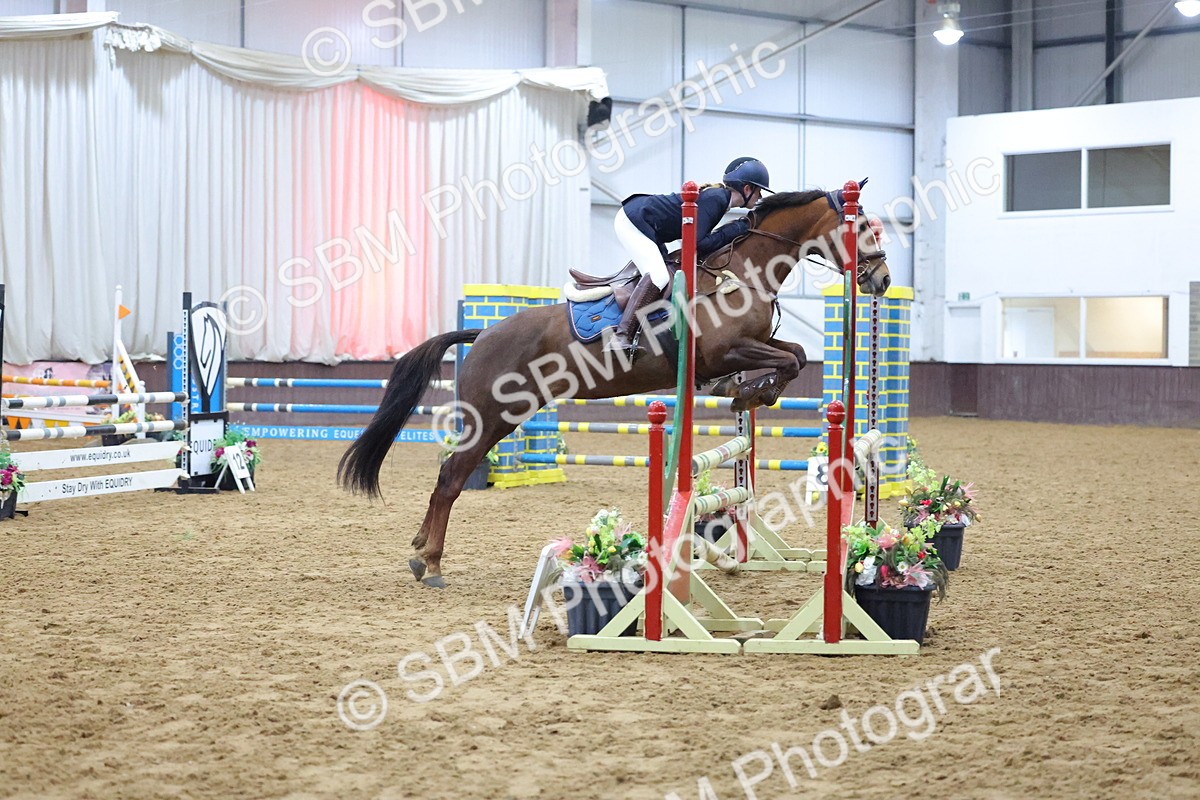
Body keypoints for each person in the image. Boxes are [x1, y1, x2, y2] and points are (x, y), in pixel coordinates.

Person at [605, 157, 772, 353]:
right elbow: (697, 244)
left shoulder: (719, 199)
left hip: (648, 225)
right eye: (759, 190)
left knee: (668, 273)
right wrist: (735, 229)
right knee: (658, 277)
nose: (760, 196)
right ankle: (621, 336)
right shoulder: (716, 199)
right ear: (746, 189)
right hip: (633, 222)